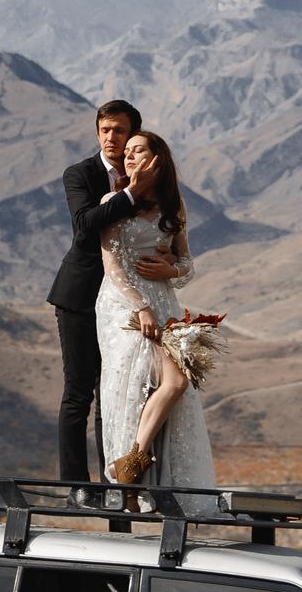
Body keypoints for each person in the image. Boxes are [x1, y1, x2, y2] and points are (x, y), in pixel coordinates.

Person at [46, 99, 180, 500]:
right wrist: (131, 192)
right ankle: (76, 486)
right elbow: (85, 226)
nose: (111, 138)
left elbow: (169, 239)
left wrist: (170, 263)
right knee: (78, 393)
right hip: (81, 296)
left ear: (132, 134)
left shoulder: (150, 177)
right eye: (104, 130)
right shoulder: (80, 174)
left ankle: (115, 482)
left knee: (118, 392)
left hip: (126, 304)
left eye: (119, 131)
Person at [96, 129, 216, 494]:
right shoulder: (114, 200)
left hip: (163, 302)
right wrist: (141, 307)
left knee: (177, 383)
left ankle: (133, 463)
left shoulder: (173, 205)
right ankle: (130, 474)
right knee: (136, 382)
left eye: (138, 151)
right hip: (124, 303)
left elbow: (187, 263)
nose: (129, 157)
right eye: (127, 153)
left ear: (156, 160)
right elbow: (112, 265)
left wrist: (171, 270)